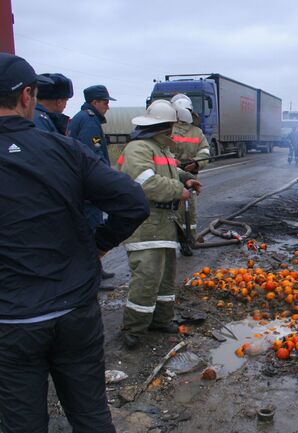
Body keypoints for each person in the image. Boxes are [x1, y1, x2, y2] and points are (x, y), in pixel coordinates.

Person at [0, 53, 149, 433]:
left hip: (10, 323)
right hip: (73, 312)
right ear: (27, 96)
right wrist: (99, 245)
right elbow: (133, 203)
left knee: (21, 423)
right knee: (90, 415)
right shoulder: (63, 149)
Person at [117, 99, 201, 349]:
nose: (174, 131)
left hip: (164, 224)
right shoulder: (138, 149)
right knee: (147, 278)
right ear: (162, 126)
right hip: (146, 225)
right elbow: (146, 183)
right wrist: (179, 190)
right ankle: (134, 329)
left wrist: (186, 179)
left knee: (165, 278)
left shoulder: (161, 149)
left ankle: (160, 320)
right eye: (171, 126)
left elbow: (171, 172)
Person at [68, 84, 117, 279]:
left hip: (83, 182)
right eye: (105, 102)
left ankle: (95, 270)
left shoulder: (84, 118)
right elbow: (93, 155)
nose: (108, 107)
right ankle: (92, 275)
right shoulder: (89, 121)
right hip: (89, 185)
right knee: (92, 228)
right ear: (94, 102)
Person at [170, 94, 211, 256]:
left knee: (178, 211)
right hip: (181, 175)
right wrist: (197, 162)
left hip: (174, 175)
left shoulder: (169, 128)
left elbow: (205, 152)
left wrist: (196, 162)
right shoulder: (196, 131)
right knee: (187, 210)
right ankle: (186, 241)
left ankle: (183, 242)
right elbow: (205, 152)